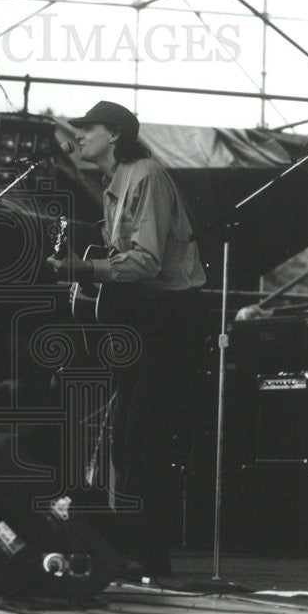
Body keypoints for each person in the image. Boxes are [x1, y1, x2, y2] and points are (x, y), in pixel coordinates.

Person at [47, 101, 206, 575]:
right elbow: (122, 257)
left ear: (114, 134)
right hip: (144, 318)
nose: (77, 137)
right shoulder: (114, 185)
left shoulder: (146, 176)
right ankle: (136, 550)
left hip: (169, 317)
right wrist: (87, 271)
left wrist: (85, 268)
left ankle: (151, 557)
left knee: (143, 440)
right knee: (125, 442)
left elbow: (147, 261)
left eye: (86, 129)